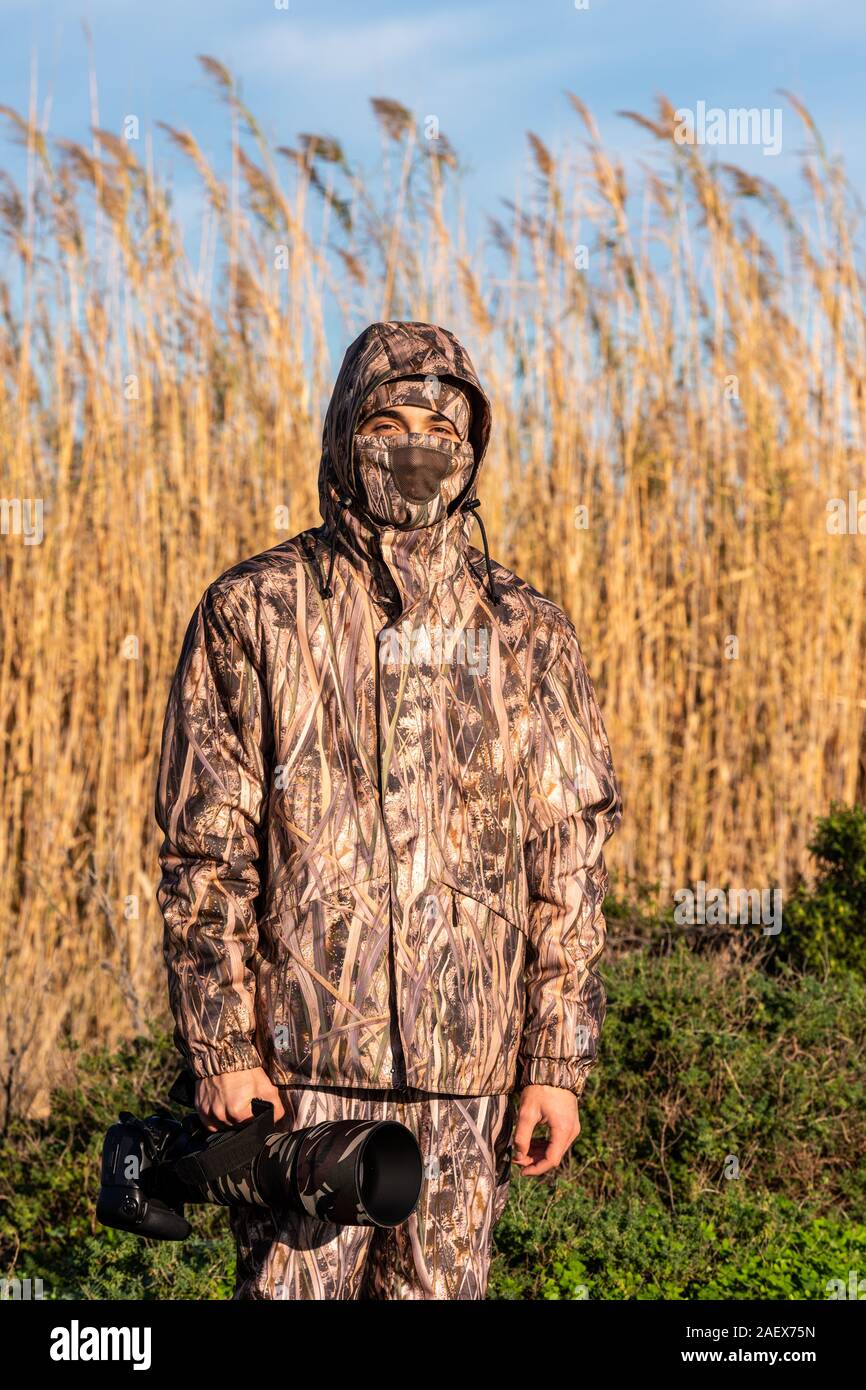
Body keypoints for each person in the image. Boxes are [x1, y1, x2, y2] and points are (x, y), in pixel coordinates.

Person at [154, 319, 622, 1300]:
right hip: (303, 1075)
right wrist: (224, 1051)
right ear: (342, 433)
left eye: (441, 428)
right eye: (387, 418)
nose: (415, 444)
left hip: (472, 1081)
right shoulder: (257, 610)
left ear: (470, 451)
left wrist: (555, 1062)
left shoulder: (525, 631)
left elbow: (567, 856)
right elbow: (207, 850)